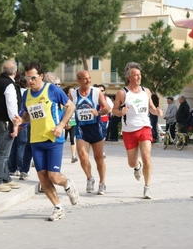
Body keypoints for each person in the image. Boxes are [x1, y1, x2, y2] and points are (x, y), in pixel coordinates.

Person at [21, 61, 79, 221]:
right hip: (36, 140)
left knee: (53, 176)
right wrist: (19, 121)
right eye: (27, 78)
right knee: (42, 177)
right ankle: (58, 207)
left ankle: (67, 184)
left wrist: (61, 125)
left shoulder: (52, 90)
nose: (30, 81)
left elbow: (71, 106)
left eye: (33, 77)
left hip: (53, 138)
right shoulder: (26, 95)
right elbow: (26, 115)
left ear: (40, 76)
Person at [112, 62, 163, 199]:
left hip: (144, 127)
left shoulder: (146, 91)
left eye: (140, 75)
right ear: (129, 78)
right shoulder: (122, 93)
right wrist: (120, 111)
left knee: (147, 155)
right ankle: (137, 165)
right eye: (136, 75)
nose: (139, 77)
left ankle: (147, 187)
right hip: (129, 130)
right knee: (131, 162)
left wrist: (156, 111)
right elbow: (114, 110)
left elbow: (151, 107)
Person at [69, 70, 111, 195]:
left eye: (89, 78)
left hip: (96, 129)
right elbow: (69, 110)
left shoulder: (96, 92)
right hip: (81, 129)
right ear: (78, 81)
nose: (88, 81)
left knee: (98, 158)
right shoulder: (73, 94)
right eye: (85, 79)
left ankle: (102, 182)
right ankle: (89, 178)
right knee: (82, 156)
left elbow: (107, 108)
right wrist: (67, 123)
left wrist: (98, 113)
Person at [0, 60, 22, 192]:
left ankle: (6, 178)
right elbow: (11, 105)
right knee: (3, 153)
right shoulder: (9, 84)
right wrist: (15, 124)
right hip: (5, 121)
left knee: (1, 151)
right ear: (15, 72)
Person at [8, 72, 33, 180]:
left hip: (14, 120)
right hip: (24, 121)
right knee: (22, 145)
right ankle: (20, 167)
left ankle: (12, 167)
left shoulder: (14, 91)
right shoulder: (28, 93)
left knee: (14, 145)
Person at [63, 85, 78, 163]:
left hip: (73, 122)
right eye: (71, 92)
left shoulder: (76, 101)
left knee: (72, 139)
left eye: (73, 92)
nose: (72, 93)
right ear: (67, 93)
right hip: (63, 123)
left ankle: (73, 156)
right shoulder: (64, 100)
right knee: (62, 140)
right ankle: (58, 154)